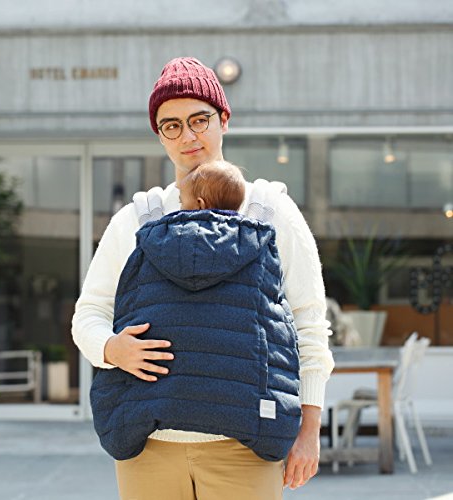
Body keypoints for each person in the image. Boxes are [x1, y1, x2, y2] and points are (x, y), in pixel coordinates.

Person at [72, 56, 334, 499]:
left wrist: (309, 430)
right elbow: (88, 315)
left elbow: (308, 324)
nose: (188, 136)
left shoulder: (271, 211)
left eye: (199, 120)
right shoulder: (135, 219)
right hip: (150, 446)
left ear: (223, 120)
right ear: (159, 135)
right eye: (171, 126)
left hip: (244, 446)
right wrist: (112, 349)